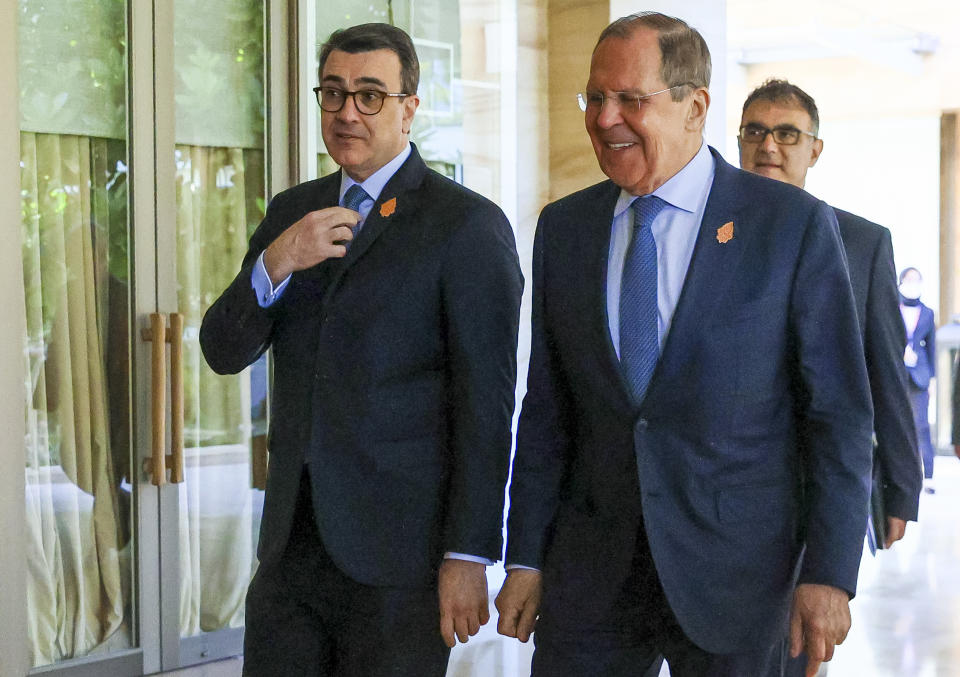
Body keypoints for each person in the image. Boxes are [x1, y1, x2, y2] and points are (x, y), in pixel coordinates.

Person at [495, 12, 873, 677]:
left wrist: (829, 573)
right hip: (592, 580)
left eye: (630, 100)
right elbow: (548, 410)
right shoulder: (565, 229)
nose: (605, 118)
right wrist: (525, 556)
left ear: (694, 107)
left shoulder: (789, 227)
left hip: (740, 581)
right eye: (596, 97)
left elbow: (838, 414)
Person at [199, 23, 523, 676]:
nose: (348, 111)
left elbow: (485, 406)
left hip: (400, 563)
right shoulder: (294, 211)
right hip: (291, 549)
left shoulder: (465, 225)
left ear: (409, 108)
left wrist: (469, 552)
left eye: (371, 95)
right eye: (334, 93)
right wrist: (277, 259)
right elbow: (221, 348)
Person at [738, 78, 922, 546]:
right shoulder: (710, 233)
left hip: (819, 478)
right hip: (723, 478)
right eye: (755, 132)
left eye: (787, 134)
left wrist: (901, 488)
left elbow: (884, 367)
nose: (769, 146)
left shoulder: (862, 243)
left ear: (815, 150)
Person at [898, 267, 937, 493]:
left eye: (916, 280)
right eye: (908, 279)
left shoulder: (928, 313)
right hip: (897, 371)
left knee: (921, 425)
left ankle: (928, 474)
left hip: (919, 375)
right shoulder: (893, 308)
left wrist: (932, 379)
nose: (912, 283)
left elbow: (931, 347)